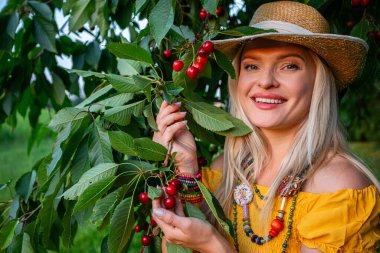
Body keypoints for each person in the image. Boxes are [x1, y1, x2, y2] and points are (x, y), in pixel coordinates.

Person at [152, 1, 380, 252]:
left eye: (289, 65)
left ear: (318, 82)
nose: (265, 81)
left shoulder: (338, 186)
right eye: (252, 65)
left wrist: (214, 245)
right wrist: (184, 167)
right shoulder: (226, 172)